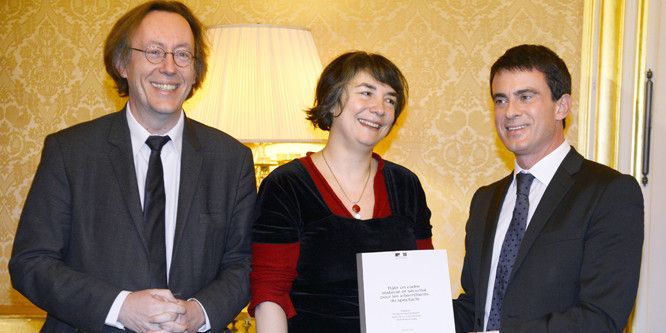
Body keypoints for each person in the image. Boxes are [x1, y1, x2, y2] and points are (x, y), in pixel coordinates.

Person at [9, 1, 256, 332]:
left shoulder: (231, 159)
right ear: (122, 62)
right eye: (154, 52)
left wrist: (199, 313)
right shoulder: (70, 152)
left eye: (183, 54)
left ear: (195, 70)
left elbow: (243, 264)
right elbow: (31, 263)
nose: (169, 67)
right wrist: (120, 307)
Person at [452, 44, 644, 332]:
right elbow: (476, 307)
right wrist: (405, 317)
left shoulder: (610, 193)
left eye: (525, 97)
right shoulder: (484, 200)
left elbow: (601, 317)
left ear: (562, 106)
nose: (510, 112)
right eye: (500, 100)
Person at [248, 51, 434, 332]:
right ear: (332, 100)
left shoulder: (406, 185)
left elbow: (423, 287)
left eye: (390, 99)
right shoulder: (287, 185)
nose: (380, 108)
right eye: (367, 93)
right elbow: (269, 294)